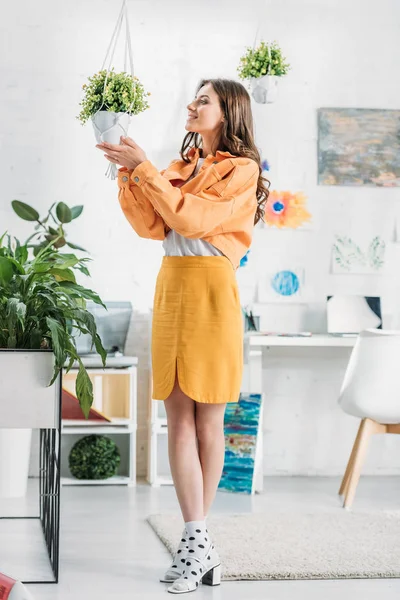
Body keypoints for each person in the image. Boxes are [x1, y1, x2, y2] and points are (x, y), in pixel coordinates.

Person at [96, 78, 269, 594]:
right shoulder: (181, 165)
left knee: (208, 418)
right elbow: (153, 226)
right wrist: (131, 174)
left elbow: (191, 219)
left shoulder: (242, 170)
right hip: (172, 287)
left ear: (229, 111)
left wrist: (145, 168)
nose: (192, 106)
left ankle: (196, 541)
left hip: (213, 291)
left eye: (204, 101)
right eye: (193, 99)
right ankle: (199, 546)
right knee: (176, 418)